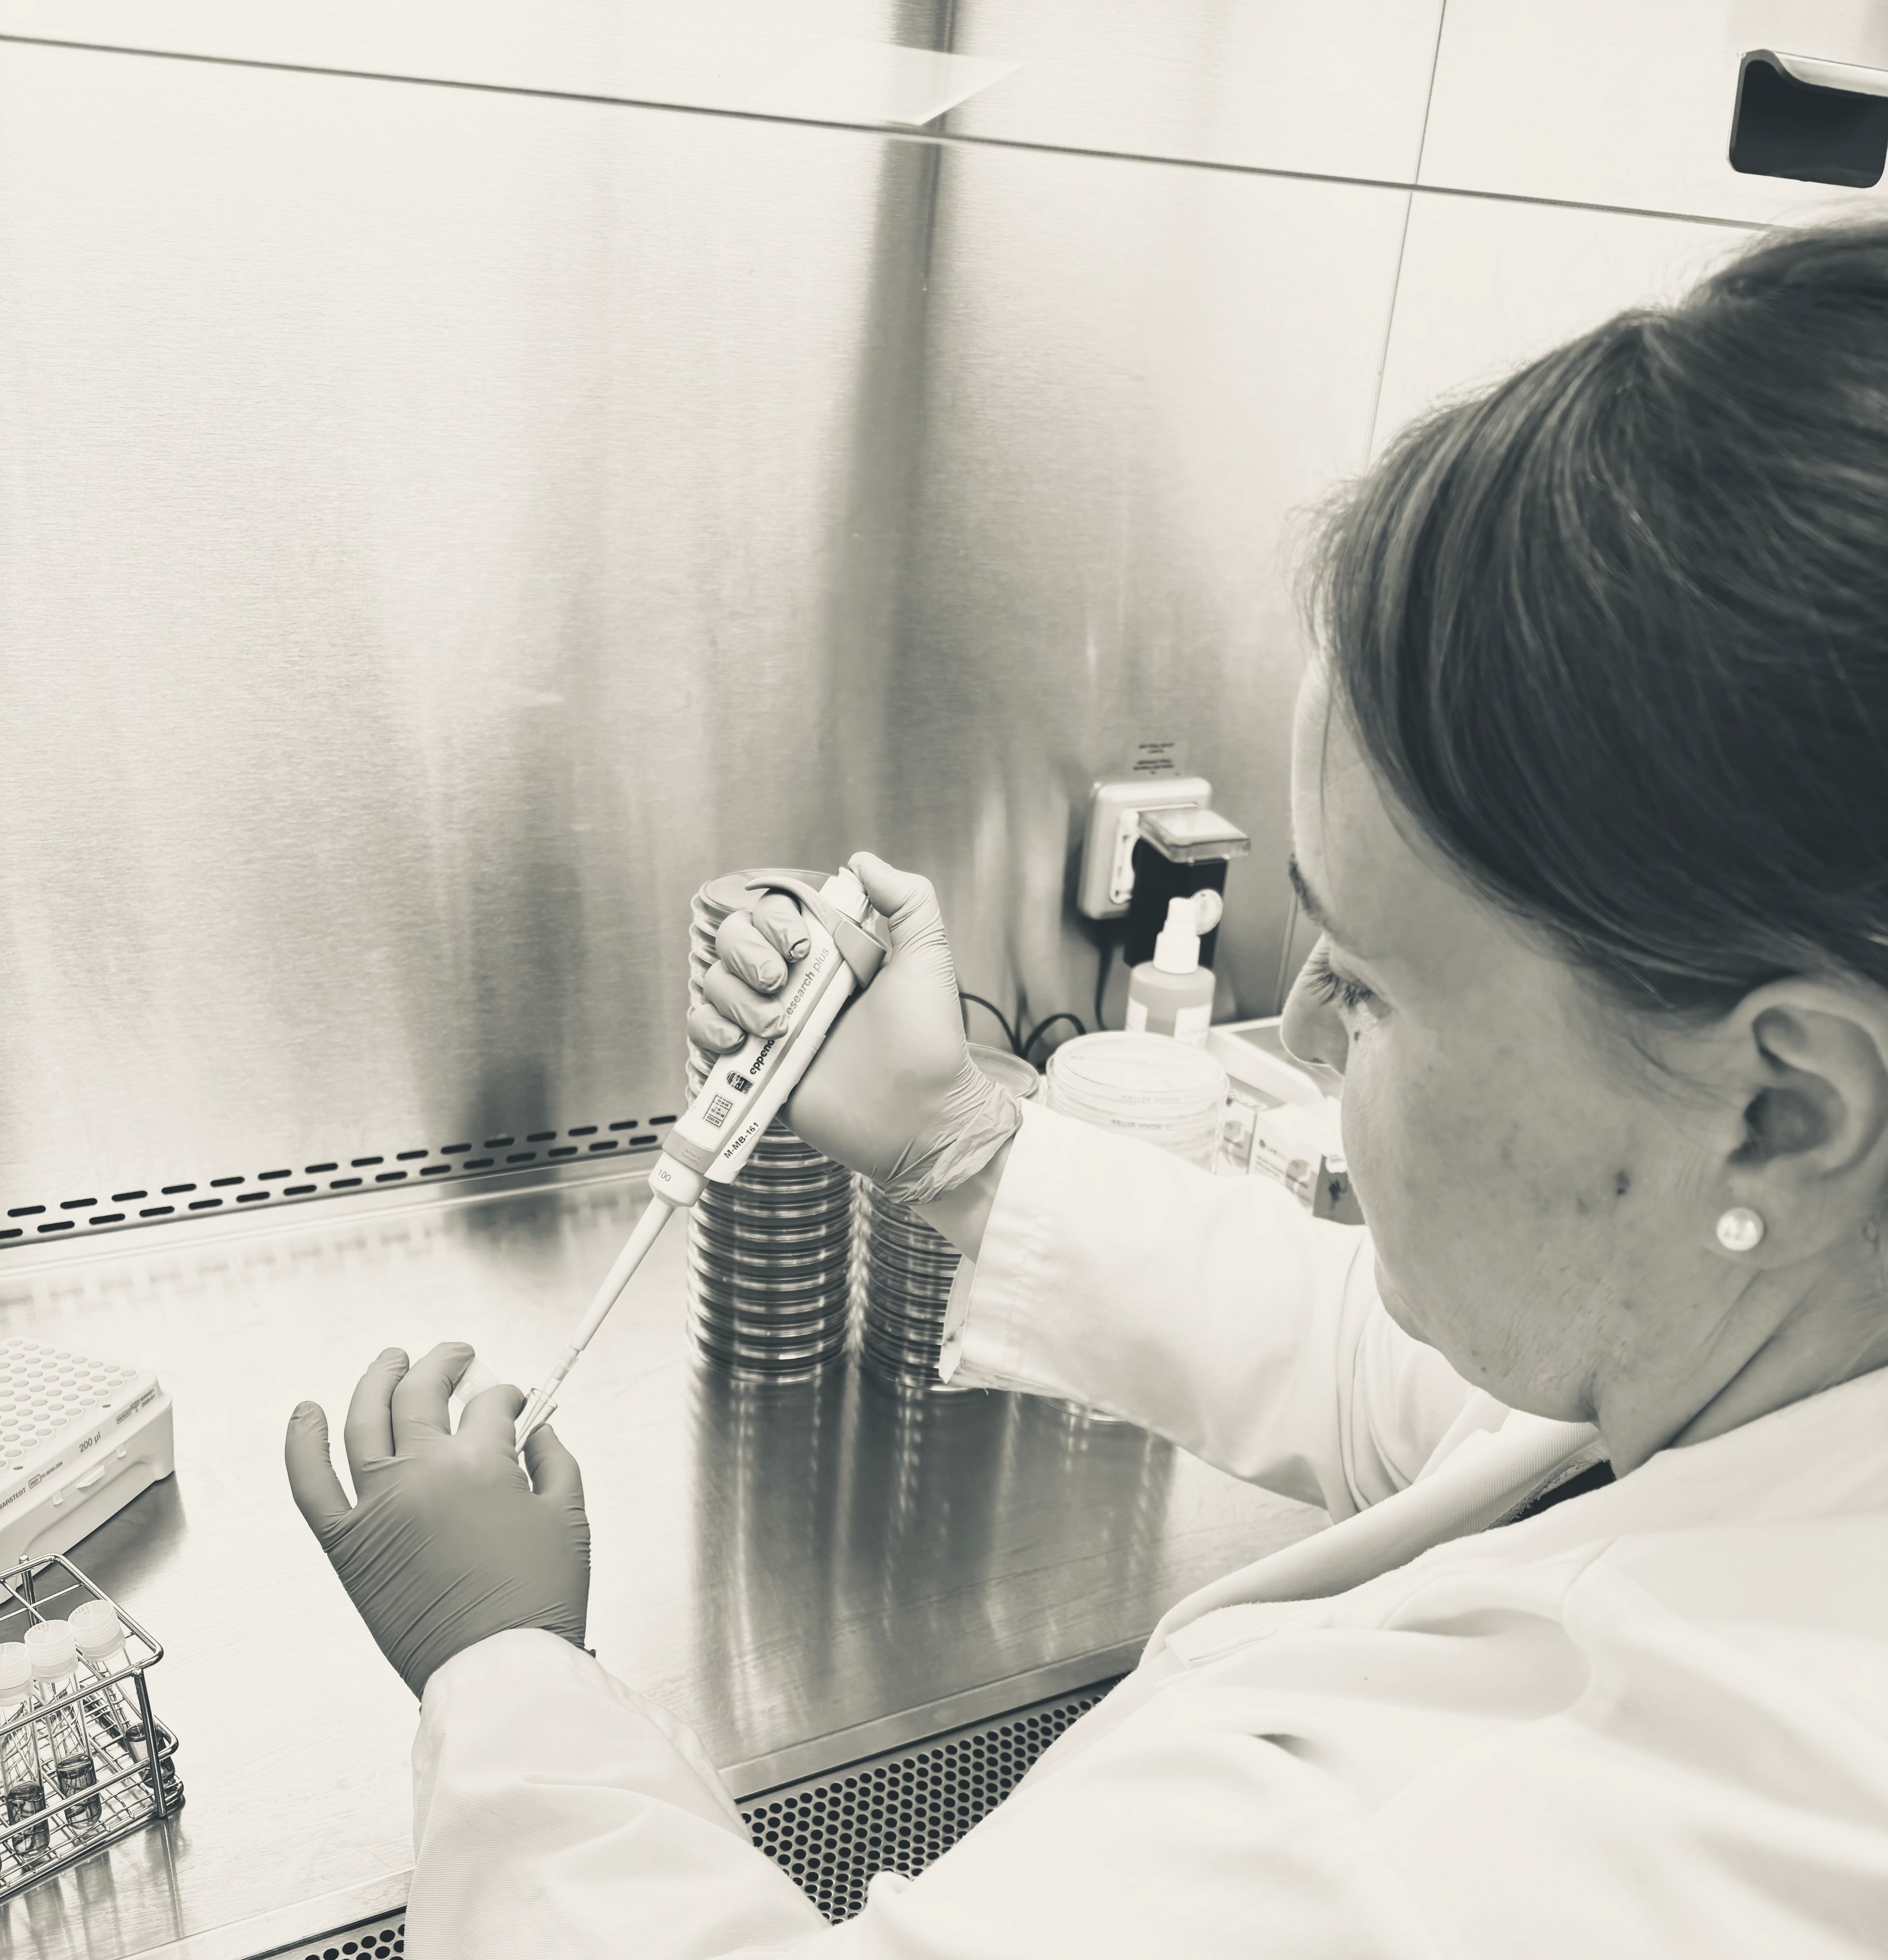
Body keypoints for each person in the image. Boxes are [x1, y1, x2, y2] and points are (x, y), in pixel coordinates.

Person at [285, 218, 1888, 1956]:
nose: (1314, 1034)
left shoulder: (1464, 1841)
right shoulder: (1780, 1357)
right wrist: (961, 1137)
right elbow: (1433, 1379)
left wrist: (504, 1674)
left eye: (1371, 981)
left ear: (1783, 1109)